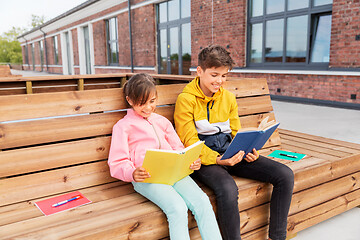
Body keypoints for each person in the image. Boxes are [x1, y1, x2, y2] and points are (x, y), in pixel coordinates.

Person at [174, 45, 294, 240]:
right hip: (204, 159)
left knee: (285, 175)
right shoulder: (186, 100)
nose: (219, 81)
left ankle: (277, 237)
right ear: (199, 71)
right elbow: (190, 142)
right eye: (214, 75)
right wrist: (219, 160)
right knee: (228, 189)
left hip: (232, 152)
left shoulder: (228, 98)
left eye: (224, 76)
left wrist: (249, 149)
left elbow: (237, 131)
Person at [108, 73, 222, 240]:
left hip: (174, 173)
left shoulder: (162, 121)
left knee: (202, 201)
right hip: (147, 178)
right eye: (141, 103)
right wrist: (132, 172)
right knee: (177, 207)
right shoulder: (123, 127)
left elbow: (178, 148)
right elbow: (117, 161)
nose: (148, 108)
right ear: (130, 100)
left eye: (152, 101)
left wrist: (190, 161)